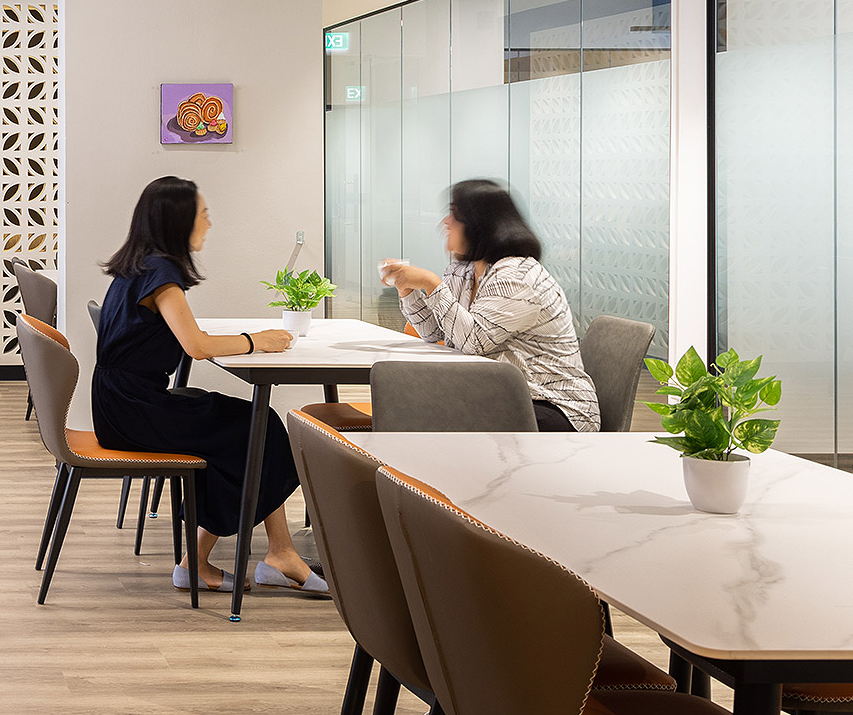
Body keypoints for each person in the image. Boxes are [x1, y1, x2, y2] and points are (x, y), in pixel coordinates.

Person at [93, 176, 327, 596]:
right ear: (179, 221)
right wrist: (258, 341)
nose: (209, 223)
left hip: (122, 402)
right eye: (204, 214)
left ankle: (279, 553)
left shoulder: (141, 265)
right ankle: (198, 563)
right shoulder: (161, 273)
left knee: (254, 424)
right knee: (253, 428)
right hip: (133, 409)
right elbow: (196, 346)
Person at [380, 179, 600, 432]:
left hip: (553, 406)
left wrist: (431, 284)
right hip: (502, 397)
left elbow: (473, 342)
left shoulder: (516, 276)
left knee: (431, 418)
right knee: (419, 410)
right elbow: (436, 333)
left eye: (455, 215)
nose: (445, 223)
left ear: (479, 225)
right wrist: (408, 291)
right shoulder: (462, 272)